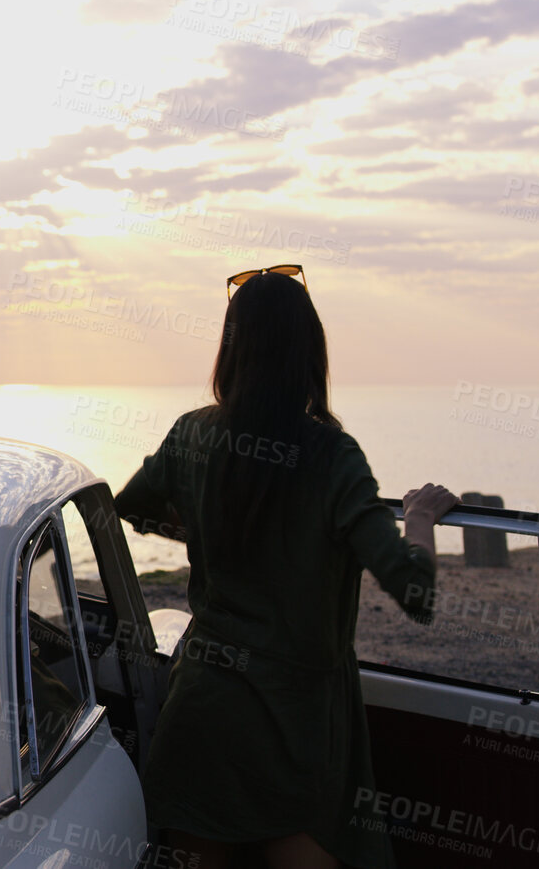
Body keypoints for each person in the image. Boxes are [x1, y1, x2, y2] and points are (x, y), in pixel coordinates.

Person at [112, 264, 456, 869]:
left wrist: (198, 526)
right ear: (309, 352)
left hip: (204, 716)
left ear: (231, 350)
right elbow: (415, 591)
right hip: (298, 734)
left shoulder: (194, 435)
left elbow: (128, 505)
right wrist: (420, 517)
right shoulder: (333, 458)